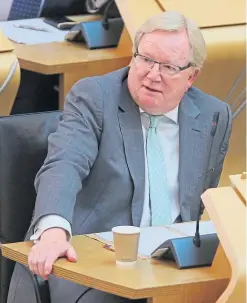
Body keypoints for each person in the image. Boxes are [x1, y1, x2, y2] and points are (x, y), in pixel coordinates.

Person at [7, 10, 232, 303]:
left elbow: (201, 199)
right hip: (96, 263)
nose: (153, 75)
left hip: (173, 265)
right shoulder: (94, 96)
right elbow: (64, 165)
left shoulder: (214, 115)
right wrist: (53, 230)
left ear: (191, 76)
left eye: (167, 67)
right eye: (146, 59)